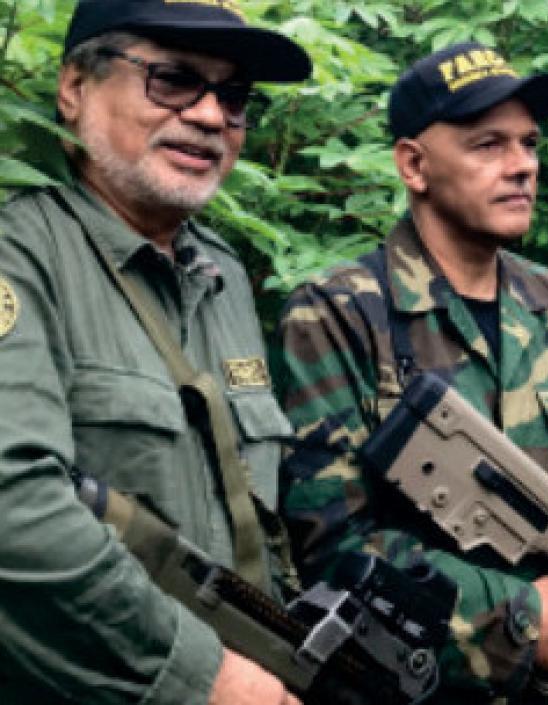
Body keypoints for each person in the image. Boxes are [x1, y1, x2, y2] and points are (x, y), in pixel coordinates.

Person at [277, 42, 548, 704]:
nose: (522, 167)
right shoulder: (339, 312)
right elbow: (332, 544)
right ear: (413, 165)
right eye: (488, 145)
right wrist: (520, 611)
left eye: (530, 144)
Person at [0, 1, 311, 704]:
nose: (209, 116)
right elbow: (12, 510)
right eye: (172, 79)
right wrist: (204, 674)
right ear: (76, 86)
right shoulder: (23, 256)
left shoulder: (224, 277)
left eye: (233, 96)